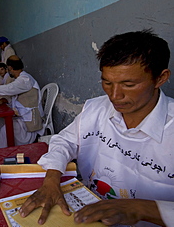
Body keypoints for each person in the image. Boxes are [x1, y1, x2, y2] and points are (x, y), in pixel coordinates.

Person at [19, 30, 174, 227]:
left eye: (128, 84)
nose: (115, 96)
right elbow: (64, 140)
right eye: (107, 82)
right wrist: (51, 179)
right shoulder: (97, 109)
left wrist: (140, 209)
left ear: (160, 78)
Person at [0, 55, 44, 148]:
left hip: (28, 119)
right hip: (20, 114)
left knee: (6, 130)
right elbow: (15, 95)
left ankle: (3, 151)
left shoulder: (25, 80)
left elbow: (9, 89)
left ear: (10, 68)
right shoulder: (20, 79)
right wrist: (3, 100)